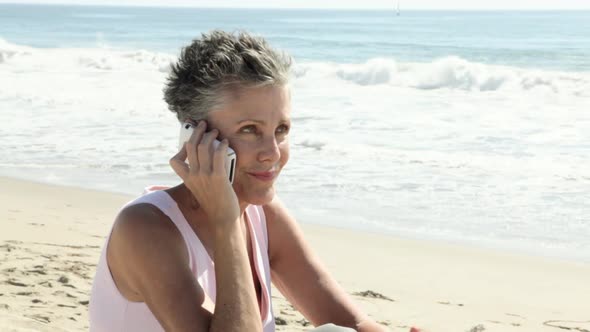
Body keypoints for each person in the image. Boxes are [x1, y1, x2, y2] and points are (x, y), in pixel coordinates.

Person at [89, 30, 388, 332]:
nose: (272, 153)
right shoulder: (144, 229)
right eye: (249, 130)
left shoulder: (264, 214)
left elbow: (354, 323)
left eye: (281, 129)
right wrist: (226, 220)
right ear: (195, 136)